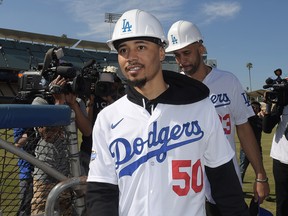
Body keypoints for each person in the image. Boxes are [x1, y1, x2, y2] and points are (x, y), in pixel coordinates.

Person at [86, 9, 250, 216]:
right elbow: (101, 192)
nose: (131, 57)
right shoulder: (108, 118)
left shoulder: (200, 107)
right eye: (123, 50)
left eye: (141, 47)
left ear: (161, 53)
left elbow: (225, 184)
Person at [165, 20, 269, 215]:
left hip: (225, 181)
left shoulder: (228, 81)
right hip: (188, 189)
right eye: (176, 55)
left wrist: (260, 175)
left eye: (186, 52)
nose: (181, 60)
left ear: (201, 48)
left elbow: (244, 129)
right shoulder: (173, 89)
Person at [30, 75, 92, 215]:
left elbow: (87, 131)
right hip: (46, 170)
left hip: (70, 170)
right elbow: (47, 135)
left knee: (67, 212)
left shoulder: (76, 102)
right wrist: (59, 102)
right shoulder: (41, 101)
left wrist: (73, 104)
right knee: (42, 211)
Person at [263, 86, 288, 216]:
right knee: (282, 202)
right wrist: (269, 106)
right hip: (281, 159)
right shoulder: (282, 105)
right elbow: (267, 128)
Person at [239, 101, 263, 182]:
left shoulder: (259, 120)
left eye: (257, 108)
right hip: (245, 148)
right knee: (242, 169)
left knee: (260, 170)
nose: (255, 109)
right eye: (253, 107)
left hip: (257, 148)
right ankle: (238, 188)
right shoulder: (245, 119)